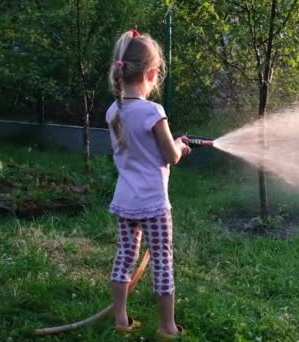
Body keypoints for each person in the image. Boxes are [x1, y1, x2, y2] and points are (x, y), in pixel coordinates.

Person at [106, 28, 190, 338]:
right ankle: (167, 327)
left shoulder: (114, 111)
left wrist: (171, 144)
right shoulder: (153, 112)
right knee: (162, 261)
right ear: (152, 73)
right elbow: (169, 155)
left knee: (124, 257)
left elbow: (140, 149)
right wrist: (180, 146)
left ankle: (120, 320)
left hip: (125, 201)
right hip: (154, 204)